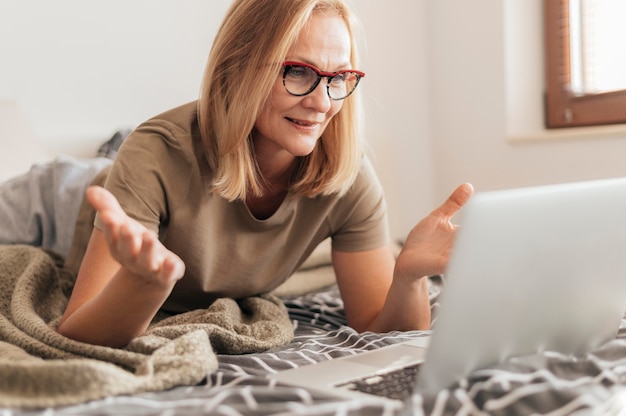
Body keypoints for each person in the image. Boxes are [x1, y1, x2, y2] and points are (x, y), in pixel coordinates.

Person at [54, 0, 474, 348]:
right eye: (298, 72)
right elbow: (78, 332)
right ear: (239, 67)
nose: (323, 103)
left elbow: (382, 329)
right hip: (63, 196)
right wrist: (144, 287)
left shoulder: (348, 174)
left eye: (339, 77)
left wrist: (409, 278)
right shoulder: (154, 154)